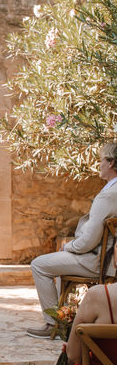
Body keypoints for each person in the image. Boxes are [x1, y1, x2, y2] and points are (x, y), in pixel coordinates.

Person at [26, 142, 117, 338]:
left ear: (111, 163)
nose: (99, 165)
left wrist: (69, 247)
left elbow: (88, 242)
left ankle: (53, 324)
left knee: (39, 265)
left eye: (101, 160)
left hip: (99, 262)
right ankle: (65, 318)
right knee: (57, 266)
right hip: (109, 260)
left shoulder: (108, 195)